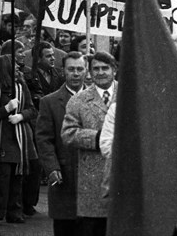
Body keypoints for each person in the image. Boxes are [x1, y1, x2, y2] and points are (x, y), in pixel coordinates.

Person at [61, 51, 117, 236]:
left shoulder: (131, 96)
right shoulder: (78, 100)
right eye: (96, 69)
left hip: (124, 175)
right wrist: (98, 137)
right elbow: (68, 133)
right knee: (93, 229)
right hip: (92, 179)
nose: (100, 73)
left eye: (105, 68)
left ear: (114, 70)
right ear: (90, 73)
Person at [36, 51, 87, 235]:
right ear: (63, 71)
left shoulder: (99, 100)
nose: (75, 73)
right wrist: (52, 168)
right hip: (64, 178)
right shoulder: (49, 102)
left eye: (79, 69)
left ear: (86, 71)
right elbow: (43, 139)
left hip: (93, 183)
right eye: (71, 69)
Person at [0, 54, 38, 224]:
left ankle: (15, 211)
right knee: (3, 176)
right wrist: (6, 108)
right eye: (13, 64)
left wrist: (21, 116)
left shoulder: (21, 86)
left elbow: (32, 109)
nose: (17, 67)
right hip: (2, 137)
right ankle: (0, 211)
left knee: (17, 176)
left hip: (19, 137)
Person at [25, 41, 65, 109]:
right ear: (38, 59)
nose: (53, 58)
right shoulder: (29, 77)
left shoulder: (60, 74)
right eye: (48, 56)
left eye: (53, 55)